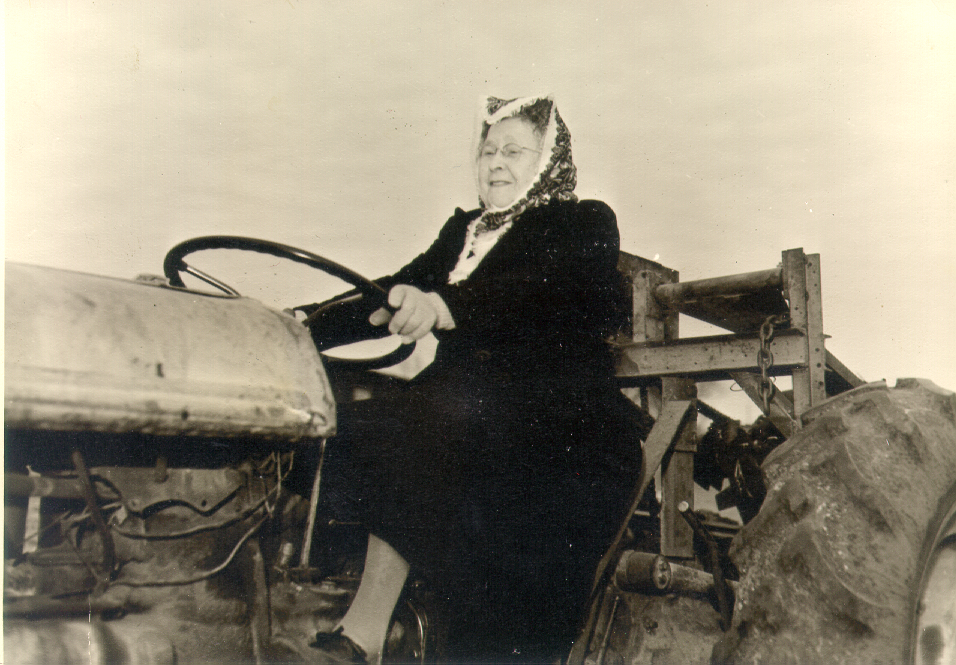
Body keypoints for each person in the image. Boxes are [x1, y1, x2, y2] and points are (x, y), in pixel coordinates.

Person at [305, 94, 645, 664]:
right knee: (347, 420)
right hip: (470, 409)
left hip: (562, 423)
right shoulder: (464, 231)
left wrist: (444, 306)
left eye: (514, 151)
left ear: (547, 161)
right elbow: (390, 288)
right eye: (487, 150)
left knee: (412, 422)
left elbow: (543, 291)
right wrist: (302, 323)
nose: (495, 163)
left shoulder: (581, 222)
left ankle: (360, 635)